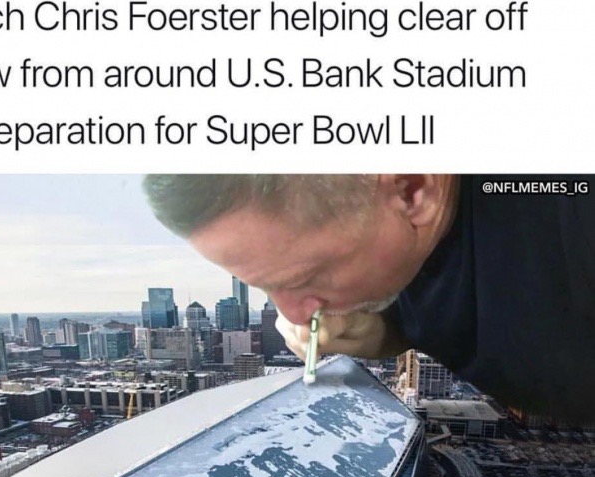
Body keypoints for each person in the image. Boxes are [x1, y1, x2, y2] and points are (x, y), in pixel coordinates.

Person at [143, 174, 595, 422]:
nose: (291, 316)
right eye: (263, 286)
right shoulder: (393, 237)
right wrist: (388, 330)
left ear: (413, 189)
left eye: (305, 278)